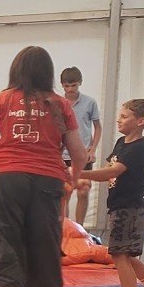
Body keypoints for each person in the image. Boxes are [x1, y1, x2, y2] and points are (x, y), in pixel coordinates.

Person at [0, 47, 87, 287]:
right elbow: (79, 153)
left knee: (2, 246)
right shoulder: (60, 104)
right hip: (47, 180)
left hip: (4, 179)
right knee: (43, 248)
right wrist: (73, 178)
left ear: (15, 70)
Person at [80, 98, 144, 287]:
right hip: (119, 206)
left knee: (120, 255)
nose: (118, 120)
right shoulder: (122, 143)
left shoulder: (138, 148)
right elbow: (108, 168)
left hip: (129, 208)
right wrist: (87, 177)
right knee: (126, 255)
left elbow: (114, 171)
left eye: (124, 116)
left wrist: (79, 173)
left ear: (140, 121)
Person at [61, 66, 102, 225]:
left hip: (83, 153)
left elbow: (97, 127)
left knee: (84, 189)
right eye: (67, 86)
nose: (71, 89)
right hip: (63, 154)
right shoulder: (58, 103)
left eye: (74, 85)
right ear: (62, 85)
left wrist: (93, 149)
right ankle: (65, 228)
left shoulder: (89, 102)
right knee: (65, 191)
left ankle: (80, 227)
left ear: (80, 83)